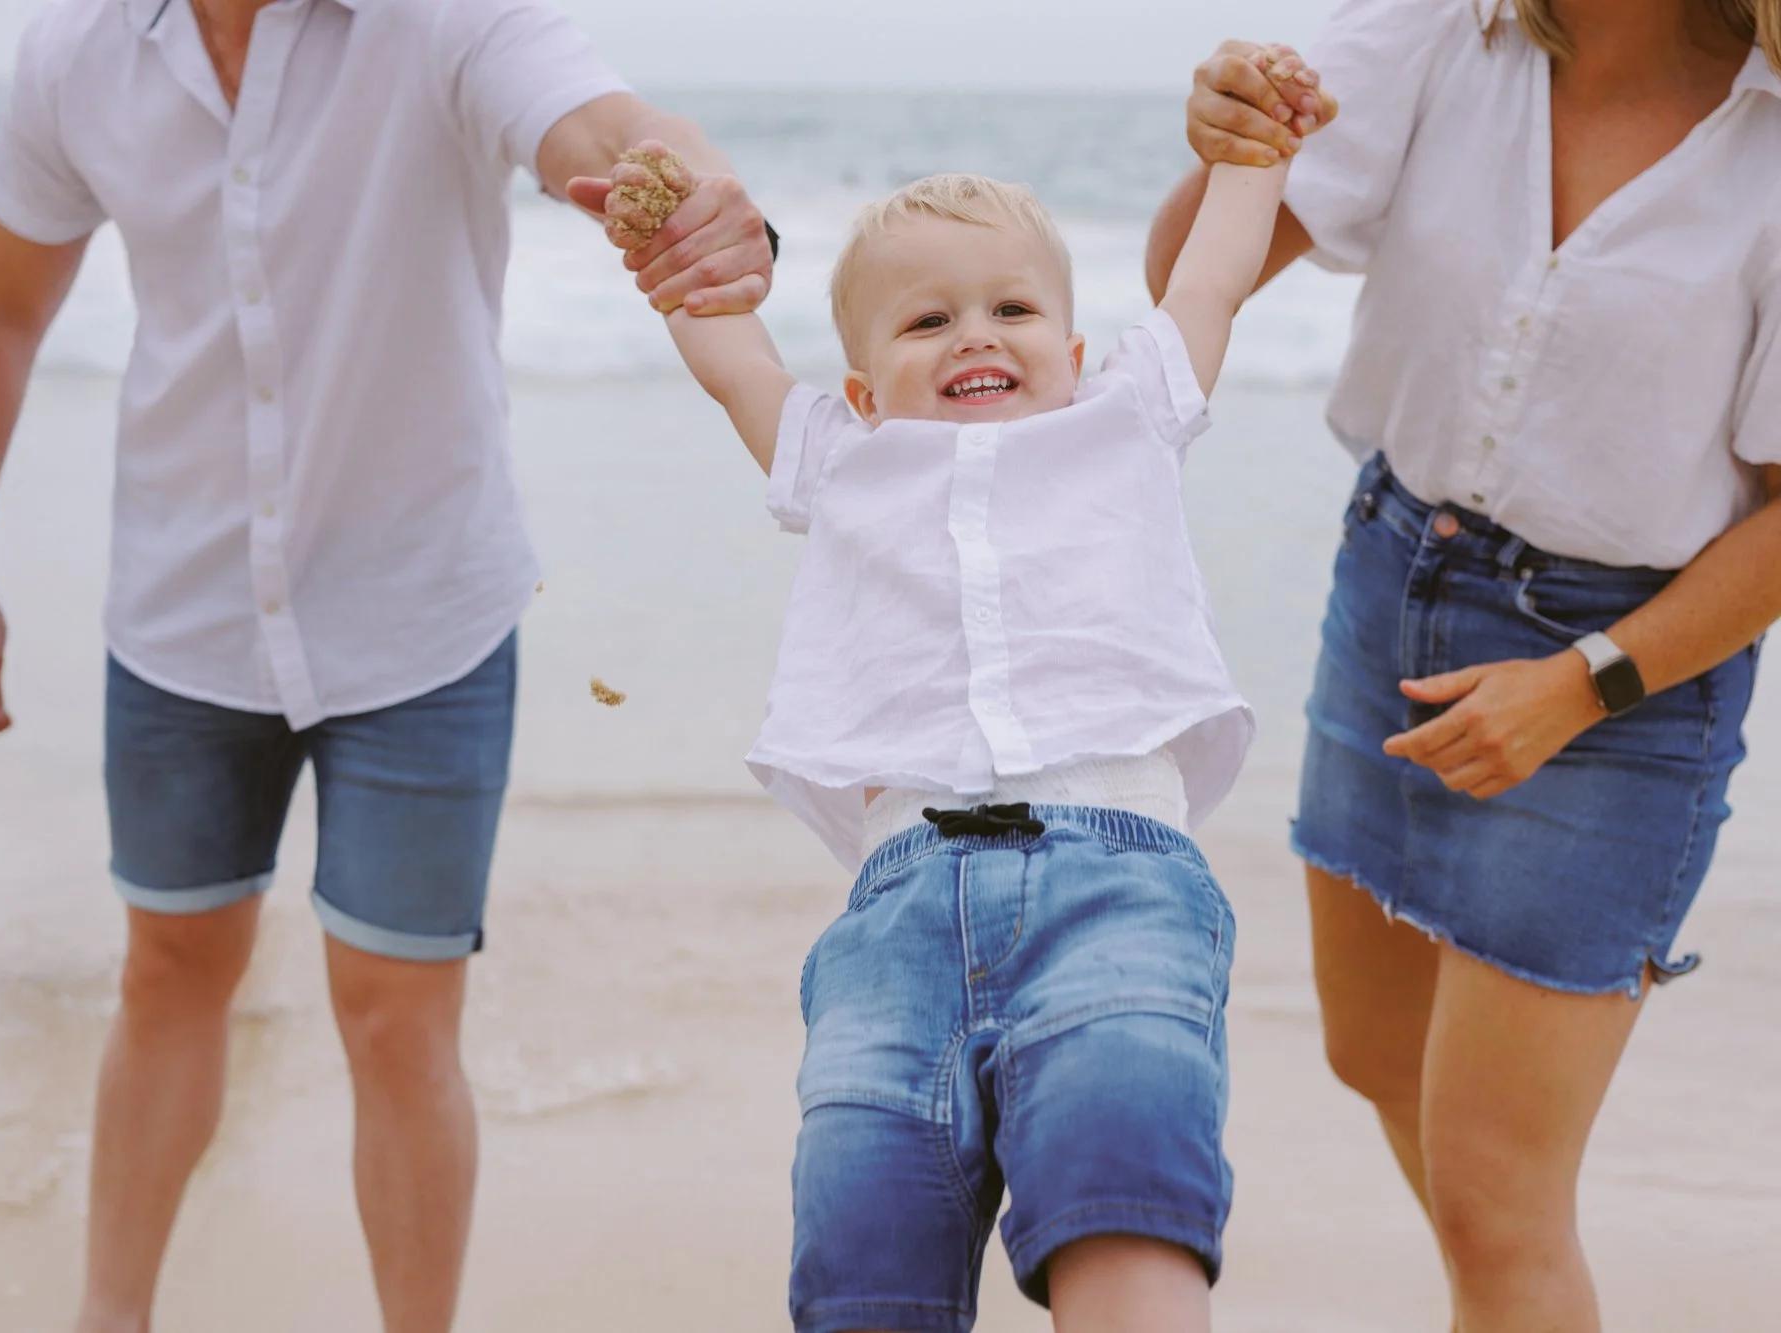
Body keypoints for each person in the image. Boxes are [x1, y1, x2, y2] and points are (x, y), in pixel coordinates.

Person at [0, 2, 772, 1329]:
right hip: (182, 603)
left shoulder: (449, 20)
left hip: (422, 613)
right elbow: (0, 311)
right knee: (167, 974)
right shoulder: (78, 51)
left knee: (396, 1018)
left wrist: (697, 191)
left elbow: (603, 127)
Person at [600, 117, 1302, 1328]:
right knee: (861, 1251)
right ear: (865, 387)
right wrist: (668, 241)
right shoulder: (842, 458)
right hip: (895, 915)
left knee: (1123, 1186)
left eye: (1011, 310)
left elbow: (1210, 278)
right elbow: (733, 361)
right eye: (927, 322)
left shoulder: (1122, 414)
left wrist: (1253, 155)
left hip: (1114, 877)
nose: (974, 333)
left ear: (1075, 352)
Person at [1147, 4, 1781, 1330]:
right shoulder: (1441, 28)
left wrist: (1582, 681)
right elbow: (1189, 288)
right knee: (1373, 1057)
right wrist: (1229, 145)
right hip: (1391, 579)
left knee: (1499, 1199)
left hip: (1630, 674)